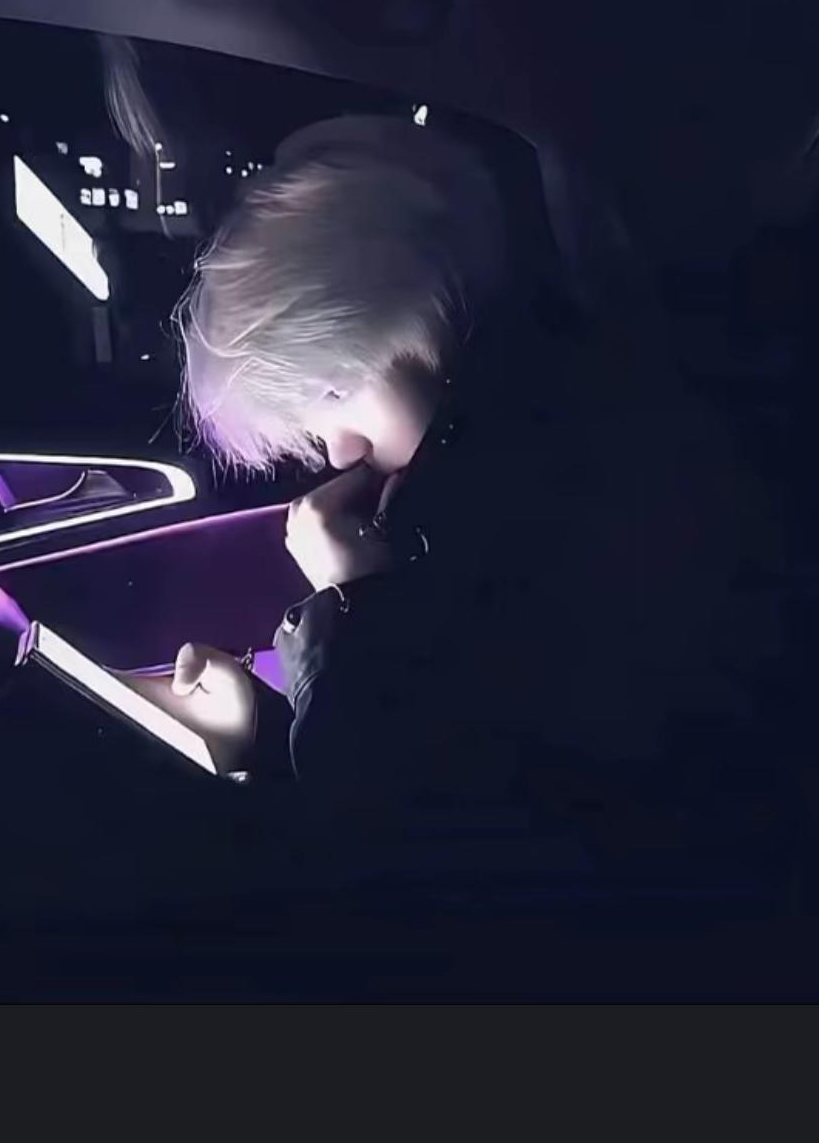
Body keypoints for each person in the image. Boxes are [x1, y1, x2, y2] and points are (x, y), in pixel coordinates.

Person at [165, 114, 798, 985]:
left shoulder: (572, 491)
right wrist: (269, 727)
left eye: (333, 403)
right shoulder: (555, 435)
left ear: (418, 319)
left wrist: (352, 608)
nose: (340, 457)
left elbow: (409, 867)